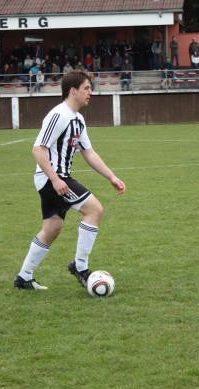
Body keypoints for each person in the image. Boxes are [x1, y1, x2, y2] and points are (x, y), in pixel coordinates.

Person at [14, 71, 126, 290]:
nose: (90, 92)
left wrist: (111, 176)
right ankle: (81, 267)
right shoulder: (59, 115)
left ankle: (24, 277)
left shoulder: (78, 119)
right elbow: (38, 149)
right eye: (86, 88)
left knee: (52, 227)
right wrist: (55, 179)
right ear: (73, 90)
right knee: (95, 210)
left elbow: (89, 153)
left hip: (56, 178)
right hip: (52, 178)